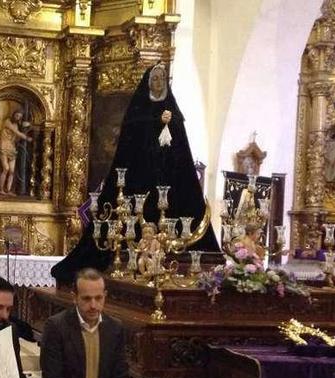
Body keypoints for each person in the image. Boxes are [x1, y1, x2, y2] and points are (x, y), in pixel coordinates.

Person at [52, 65, 219, 283]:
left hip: (170, 183)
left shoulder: (174, 114)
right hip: (138, 182)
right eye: (154, 79)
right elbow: (128, 149)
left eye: (161, 79)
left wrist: (173, 123)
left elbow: (182, 154)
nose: (158, 83)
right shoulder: (137, 111)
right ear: (148, 82)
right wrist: (154, 125)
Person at [39, 268, 129, 378]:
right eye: (87, 299)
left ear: (105, 296)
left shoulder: (115, 328)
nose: (93, 305)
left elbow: (121, 377)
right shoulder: (56, 326)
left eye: (98, 298)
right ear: (74, 297)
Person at [0, 110, 33, 196]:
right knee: (6, 168)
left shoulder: (16, 125)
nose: (18, 118)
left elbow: (17, 136)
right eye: (17, 116)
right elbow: (17, 132)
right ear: (13, 115)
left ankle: (8, 190)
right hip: (4, 147)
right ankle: (1, 189)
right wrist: (26, 138)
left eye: (20, 117)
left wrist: (28, 126)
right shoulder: (7, 122)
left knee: (12, 171)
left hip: (12, 148)